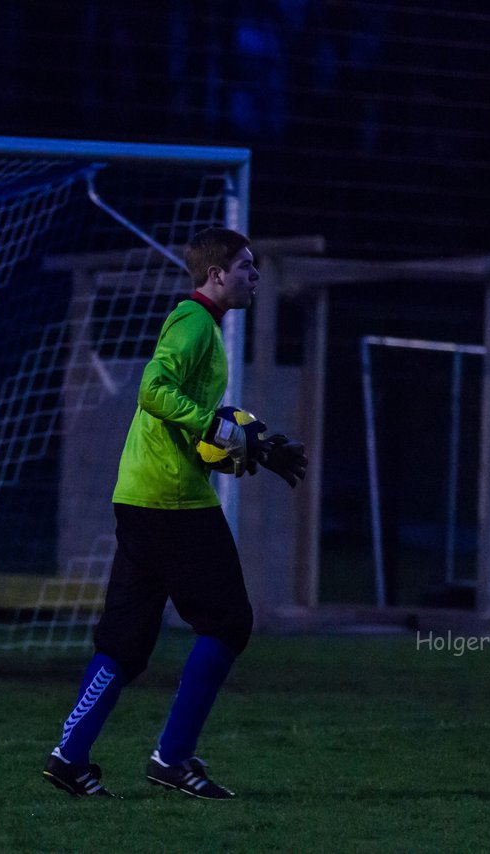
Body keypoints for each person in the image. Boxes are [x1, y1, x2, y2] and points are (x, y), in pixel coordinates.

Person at [41, 227, 307, 799]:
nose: (255, 275)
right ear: (216, 275)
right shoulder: (194, 323)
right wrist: (219, 428)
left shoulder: (200, 325)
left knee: (125, 640)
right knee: (229, 621)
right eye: (245, 266)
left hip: (142, 495)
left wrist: (253, 447)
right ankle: (173, 758)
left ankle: (69, 755)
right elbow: (154, 389)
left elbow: (194, 422)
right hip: (172, 501)